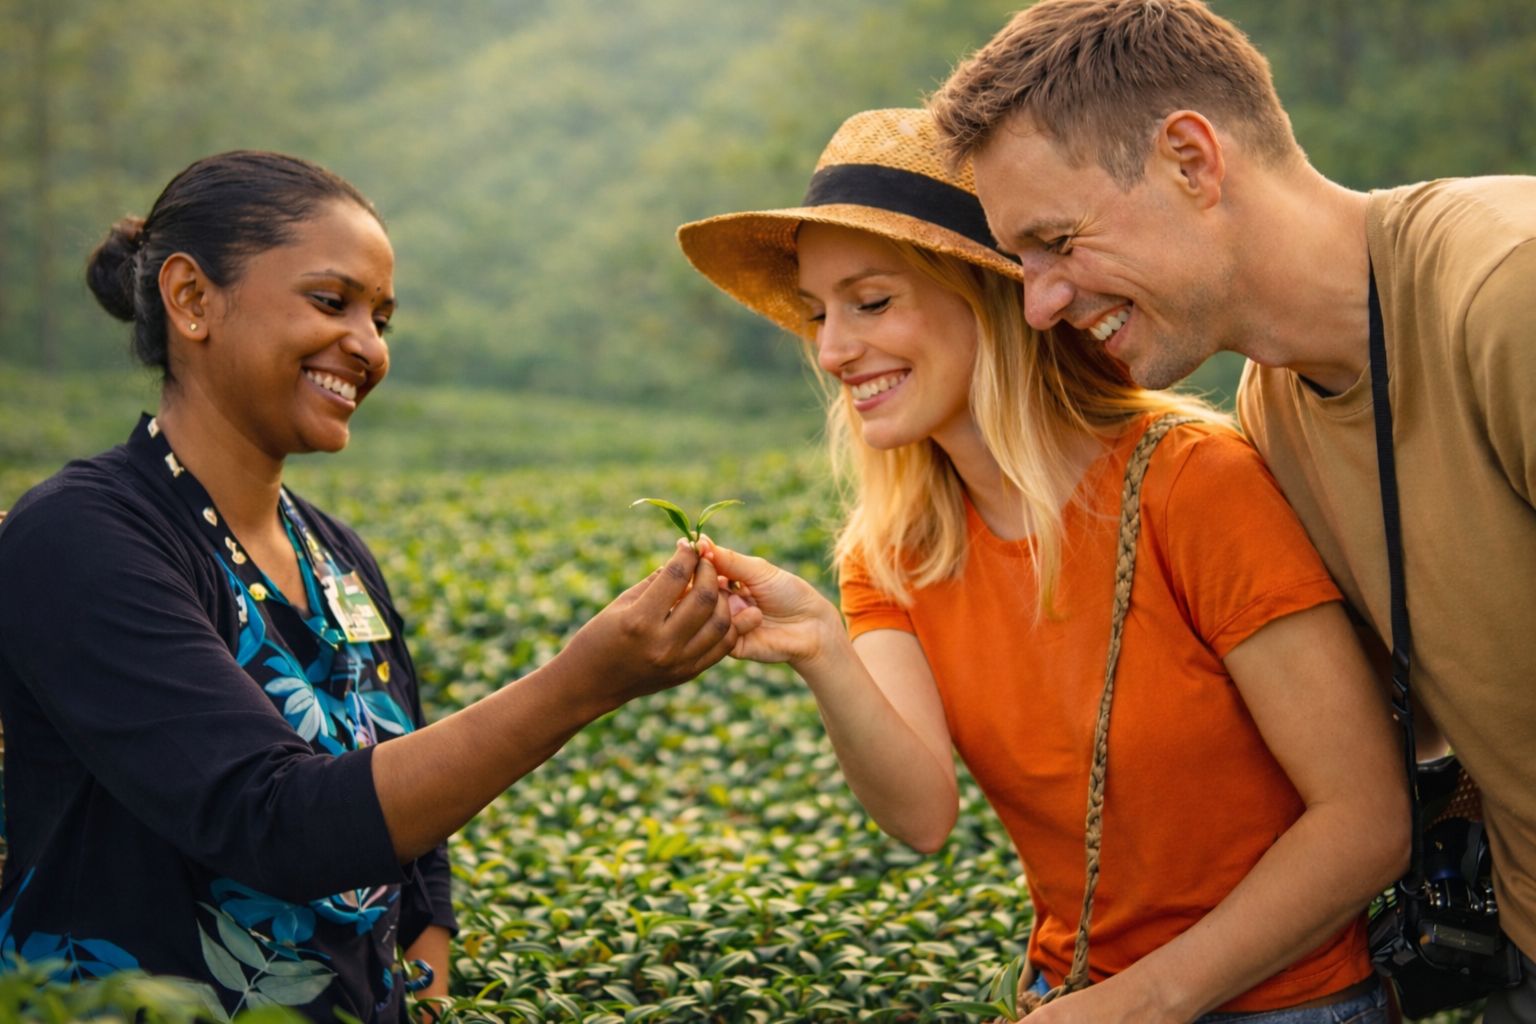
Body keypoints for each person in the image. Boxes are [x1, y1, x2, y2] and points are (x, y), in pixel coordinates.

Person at [676, 107, 1406, 1023]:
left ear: (985, 295)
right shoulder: (893, 547)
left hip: (1286, 1008)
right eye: (820, 316)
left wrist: (1144, 1003)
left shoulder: (1189, 483)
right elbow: (921, 815)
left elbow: (1367, 823)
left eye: (871, 302)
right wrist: (824, 646)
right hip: (1070, 998)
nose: (832, 351)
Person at [0, 150, 743, 1021]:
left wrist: (424, 979)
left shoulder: (335, 554)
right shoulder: (80, 537)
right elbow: (271, 821)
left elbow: (402, 804)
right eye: (332, 301)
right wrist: (583, 683)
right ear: (192, 299)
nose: (368, 346)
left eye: (382, 317)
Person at [928, 2, 1536, 1019]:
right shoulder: (1274, 403)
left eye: (1057, 241)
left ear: (1190, 160)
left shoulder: (1506, 292)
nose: (1039, 303)